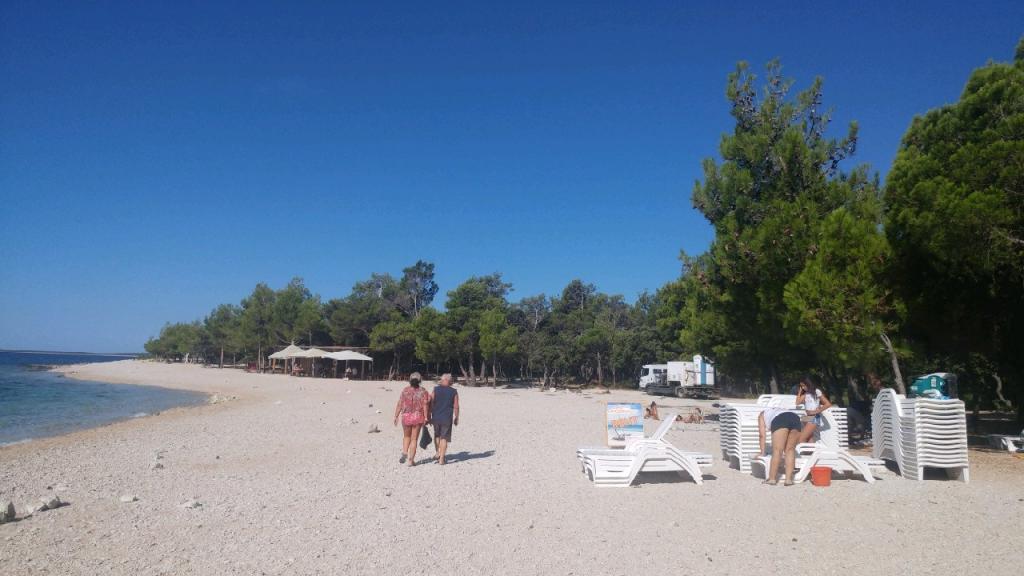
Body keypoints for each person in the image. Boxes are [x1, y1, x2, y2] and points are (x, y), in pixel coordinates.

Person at [757, 406, 803, 485]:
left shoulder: (761, 415)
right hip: (795, 418)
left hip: (781, 419)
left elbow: (762, 435)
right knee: (790, 450)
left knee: (777, 450)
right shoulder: (779, 410)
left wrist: (762, 452)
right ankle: (788, 480)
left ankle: (772, 479)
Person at [393, 372, 431, 466]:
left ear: (410, 380)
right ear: (420, 380)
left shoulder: (405, 390)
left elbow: (400, 403)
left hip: (406, 417)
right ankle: (411, 461)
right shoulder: (423, 391)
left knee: (406, 436)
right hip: (418, 417)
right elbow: (425, 405)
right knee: (414, 439)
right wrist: (426, 417)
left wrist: (396, 416)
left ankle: (405, 452)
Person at [430, 373, 460, 465]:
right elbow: (456, 406)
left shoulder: (435, 389)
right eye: (450, 380)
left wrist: (429, 415)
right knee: (444, 438)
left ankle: (437, 453)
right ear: (448, 380)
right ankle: (442, 459)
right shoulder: (453, 391)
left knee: (437, 435)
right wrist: (456, 417)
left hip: (436, 416)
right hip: (447, 417)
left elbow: (430, 402)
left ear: (443, 380)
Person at [796, 375, 832, 444]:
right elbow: (797, 402)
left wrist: (816, 411)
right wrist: (800, 391)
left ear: (808, 384)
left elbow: (828, 404)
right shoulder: (806, 394)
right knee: (809, 438)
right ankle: (811, 450)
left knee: (801, 439)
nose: (803, 387)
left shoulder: (816, 391)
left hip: (814, 417)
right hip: (806, 418)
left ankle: (806, 450)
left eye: (803, 385)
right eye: (801, 386)